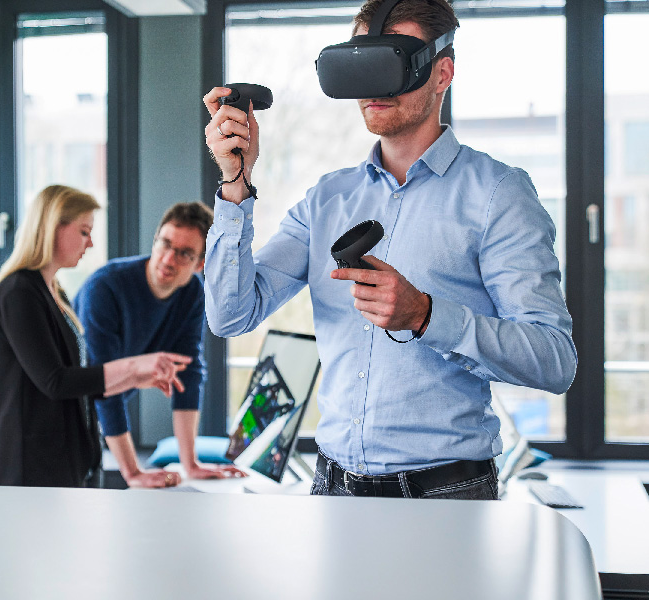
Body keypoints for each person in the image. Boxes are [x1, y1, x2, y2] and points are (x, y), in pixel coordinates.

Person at [202, 0, 577, 500]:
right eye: (362, 66)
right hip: (333, 490)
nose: (374, 88)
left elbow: (554, 361)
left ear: (441, 73)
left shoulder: (497, 193)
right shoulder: (326, 199)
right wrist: (235, 184)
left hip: (447, 493)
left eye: (391, 64)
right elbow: (230, 316)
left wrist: (427, 316)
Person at [0, 185, 192, 488]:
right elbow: (56, 382)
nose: (90, 243)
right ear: (52, 227)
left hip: (64, 467)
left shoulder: (53, 291)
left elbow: (76, 380)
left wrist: (134, 379)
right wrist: (134, 366)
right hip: (29, 473)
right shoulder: (18, 294)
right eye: (84, 231)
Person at [73, 203, 244, 488]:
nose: (168, 259)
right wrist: (132, 473)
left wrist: (190, 464)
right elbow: (103, 384)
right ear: (155, 240)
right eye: (165, 244)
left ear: (200, 264)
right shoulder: (105, 287)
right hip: (63, 411)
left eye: (184, 254)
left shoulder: (191, 294)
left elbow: (187, 373)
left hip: (96, 419)